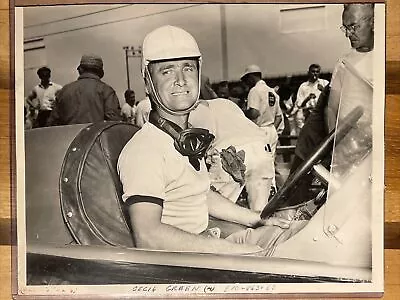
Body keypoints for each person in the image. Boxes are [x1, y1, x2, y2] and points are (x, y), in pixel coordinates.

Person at [118, 25, 299, 255]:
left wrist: (257, 219)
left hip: (208, 243)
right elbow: (148, 236)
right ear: (147, 83)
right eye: (167, 71)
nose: (181, 80)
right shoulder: (145, 150)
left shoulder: (186, 138)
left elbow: (202, 195)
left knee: (299, 233)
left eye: (188, 68)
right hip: (188, 264)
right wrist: (227, 249)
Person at [326, 3, 374, 132]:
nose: (348, 34)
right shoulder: (343, 63)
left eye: (353, 26)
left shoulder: (388, 58)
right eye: (345, 28)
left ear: (372, 23)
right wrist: (334, 144)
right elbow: (331, 108)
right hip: (350, 145)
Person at [47, 54, 122, 126]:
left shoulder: (64, 91)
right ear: (101, 72)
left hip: (69, 138)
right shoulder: (106, 91)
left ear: (80, 69)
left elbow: (52, 123)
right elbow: (114, 123)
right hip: (96, 138)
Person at [241, 65, 283, 158]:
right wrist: (273, 130)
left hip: (260, 130)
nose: (246, 82)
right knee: (270, 161)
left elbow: (254, 113)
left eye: (246, 79)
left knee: (261, 162)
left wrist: (242, 112)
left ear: (251, 77)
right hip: (271, 130)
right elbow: (279, 116)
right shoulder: (272, 91)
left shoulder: (255, 91)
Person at [291, 64, 329, 135]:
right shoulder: (303, 86)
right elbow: (300, 105)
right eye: (313, 71)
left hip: (322, 114)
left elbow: (331, 98)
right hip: (309, 115)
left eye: (317, 72)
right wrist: (308, 98)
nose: (315, 73)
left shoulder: (324, 83)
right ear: (308, 72)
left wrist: (323, 90)